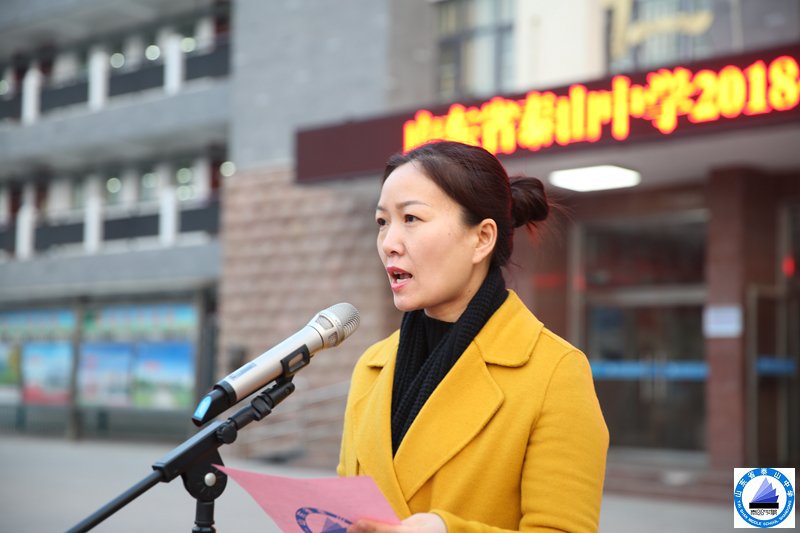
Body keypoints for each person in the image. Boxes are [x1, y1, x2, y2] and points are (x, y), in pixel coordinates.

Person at [338, 140, 609, 533]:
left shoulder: (555, 374)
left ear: (482, 238)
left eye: (411, 218)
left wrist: (445, 530)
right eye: (382, 222)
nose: (389, 243)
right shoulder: (372, 367)